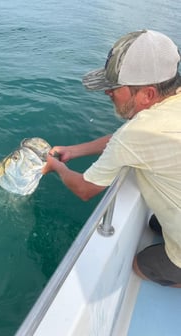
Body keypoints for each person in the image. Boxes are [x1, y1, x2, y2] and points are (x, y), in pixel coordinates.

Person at [42, 29, 181, 287]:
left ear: (147, 95)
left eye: (114, 88)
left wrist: (57, 167)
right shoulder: (169, 105)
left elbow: (84, 189)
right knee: (153, 224)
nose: (107, 94)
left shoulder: (139, 132)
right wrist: (74, 150)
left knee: (141, 266)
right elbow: (122, 141)